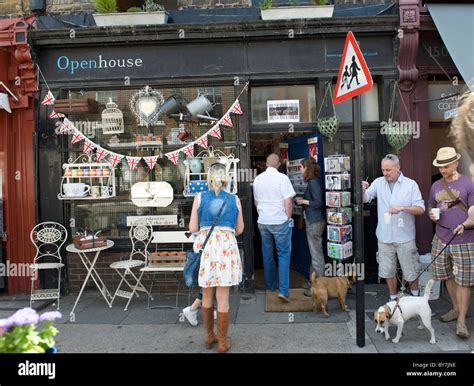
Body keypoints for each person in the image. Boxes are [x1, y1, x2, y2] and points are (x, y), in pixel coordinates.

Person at [188, 163, 244, 352]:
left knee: (206, 294)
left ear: (209, 178)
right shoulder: (234, 199)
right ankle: (222, 341)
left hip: (208, 248)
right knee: (223, 297)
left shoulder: (199, 197)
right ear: (226, 177)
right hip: (226, 249)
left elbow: (193, 229)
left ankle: (208, 337)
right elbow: (240, 230)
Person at [362, 154, 425, 301]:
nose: (385, 173)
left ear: (398, 168)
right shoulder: (378, 182)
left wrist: (402, 208)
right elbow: (365, 199)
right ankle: (393, 298)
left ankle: (416, 298)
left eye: (388, 170)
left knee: (411, 270)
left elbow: (420, 209)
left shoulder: (410, 184)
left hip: (405, 236)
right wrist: (362, 189)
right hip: (384, 236)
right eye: (383, 170)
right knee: (387, 270)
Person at [428, 147, 474, 339]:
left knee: (464, 280)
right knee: (447, 276)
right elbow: (431, 204)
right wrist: (431, 213)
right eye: (440, 167)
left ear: (456, 163)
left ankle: (462, 321)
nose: (443, 170)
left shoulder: (468, 183)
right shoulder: (436, 186)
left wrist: (465, 224)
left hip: (464, 239)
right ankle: (455, 309)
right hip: (441, 237)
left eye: (446, 166)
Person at [253, 153, 296, 303]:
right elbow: (288, 202)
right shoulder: (283, 178)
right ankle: (283, 291)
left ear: (266, 164)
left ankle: (270, 286)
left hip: (263, 221)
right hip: (279, 221)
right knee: (283, 254)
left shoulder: (258, 179)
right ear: (279, 165)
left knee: (267, 254)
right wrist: (288, 218)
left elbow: (256, 202)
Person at [295, 158, 325, 297]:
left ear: (306, 167)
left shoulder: (313, 182)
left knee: (316, 255)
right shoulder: (313, 181)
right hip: (314, 221)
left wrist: (303, 201)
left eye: (301, 167)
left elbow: (318, 202)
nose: (300, 170)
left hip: (314, 222)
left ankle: (319, 288)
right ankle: (312, 282)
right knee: (314, 253)